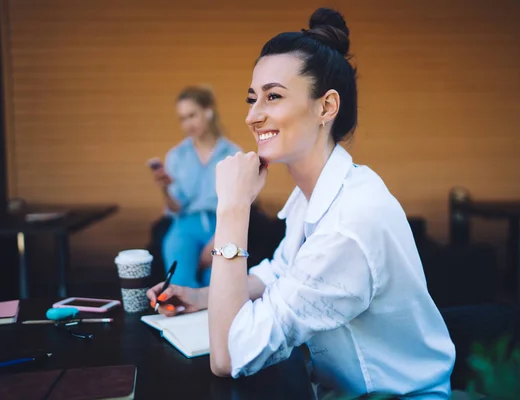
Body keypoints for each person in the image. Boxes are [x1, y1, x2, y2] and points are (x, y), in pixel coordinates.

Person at [147, 8, 456, 399]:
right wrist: (202, 297)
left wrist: (232, 207)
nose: (252, 116)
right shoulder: (316, 193)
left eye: (273, 96)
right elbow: (281, 272)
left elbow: (227, 357)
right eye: (252, 98)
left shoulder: (350, 221)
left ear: (326, 107)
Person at [150, 86, 240, 288]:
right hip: (184, 227)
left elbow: (238, 204)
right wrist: (164, 189)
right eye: (182, 118)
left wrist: (220, 238)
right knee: (180, 285)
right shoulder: (176, 155)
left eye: (192, 115)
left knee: (218, 287)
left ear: (208, 111)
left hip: (222, 225)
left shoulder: (233, 153)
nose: (188, 124)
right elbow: (175, 208)